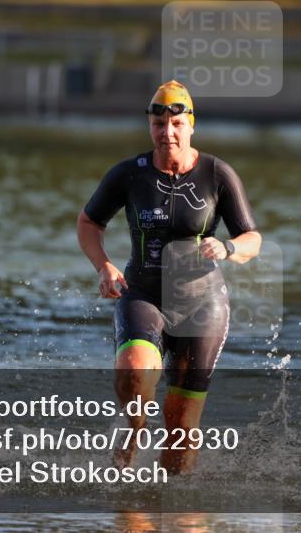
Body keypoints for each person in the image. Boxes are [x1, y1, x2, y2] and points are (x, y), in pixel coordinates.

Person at [76, 80, 262, 474]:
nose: (168, 133)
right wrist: (103, 265)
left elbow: (252, 238)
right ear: (150, 127)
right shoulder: (129, 174)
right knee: (133, 379)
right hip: (144, 293)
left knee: (181, 424)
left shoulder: (217, 174)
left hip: (202, 304)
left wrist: (228, 248)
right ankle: (129, 450)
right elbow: (89, 222)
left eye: (176, 123)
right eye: (159, 124)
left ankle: (173, 507)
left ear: (191, 125)